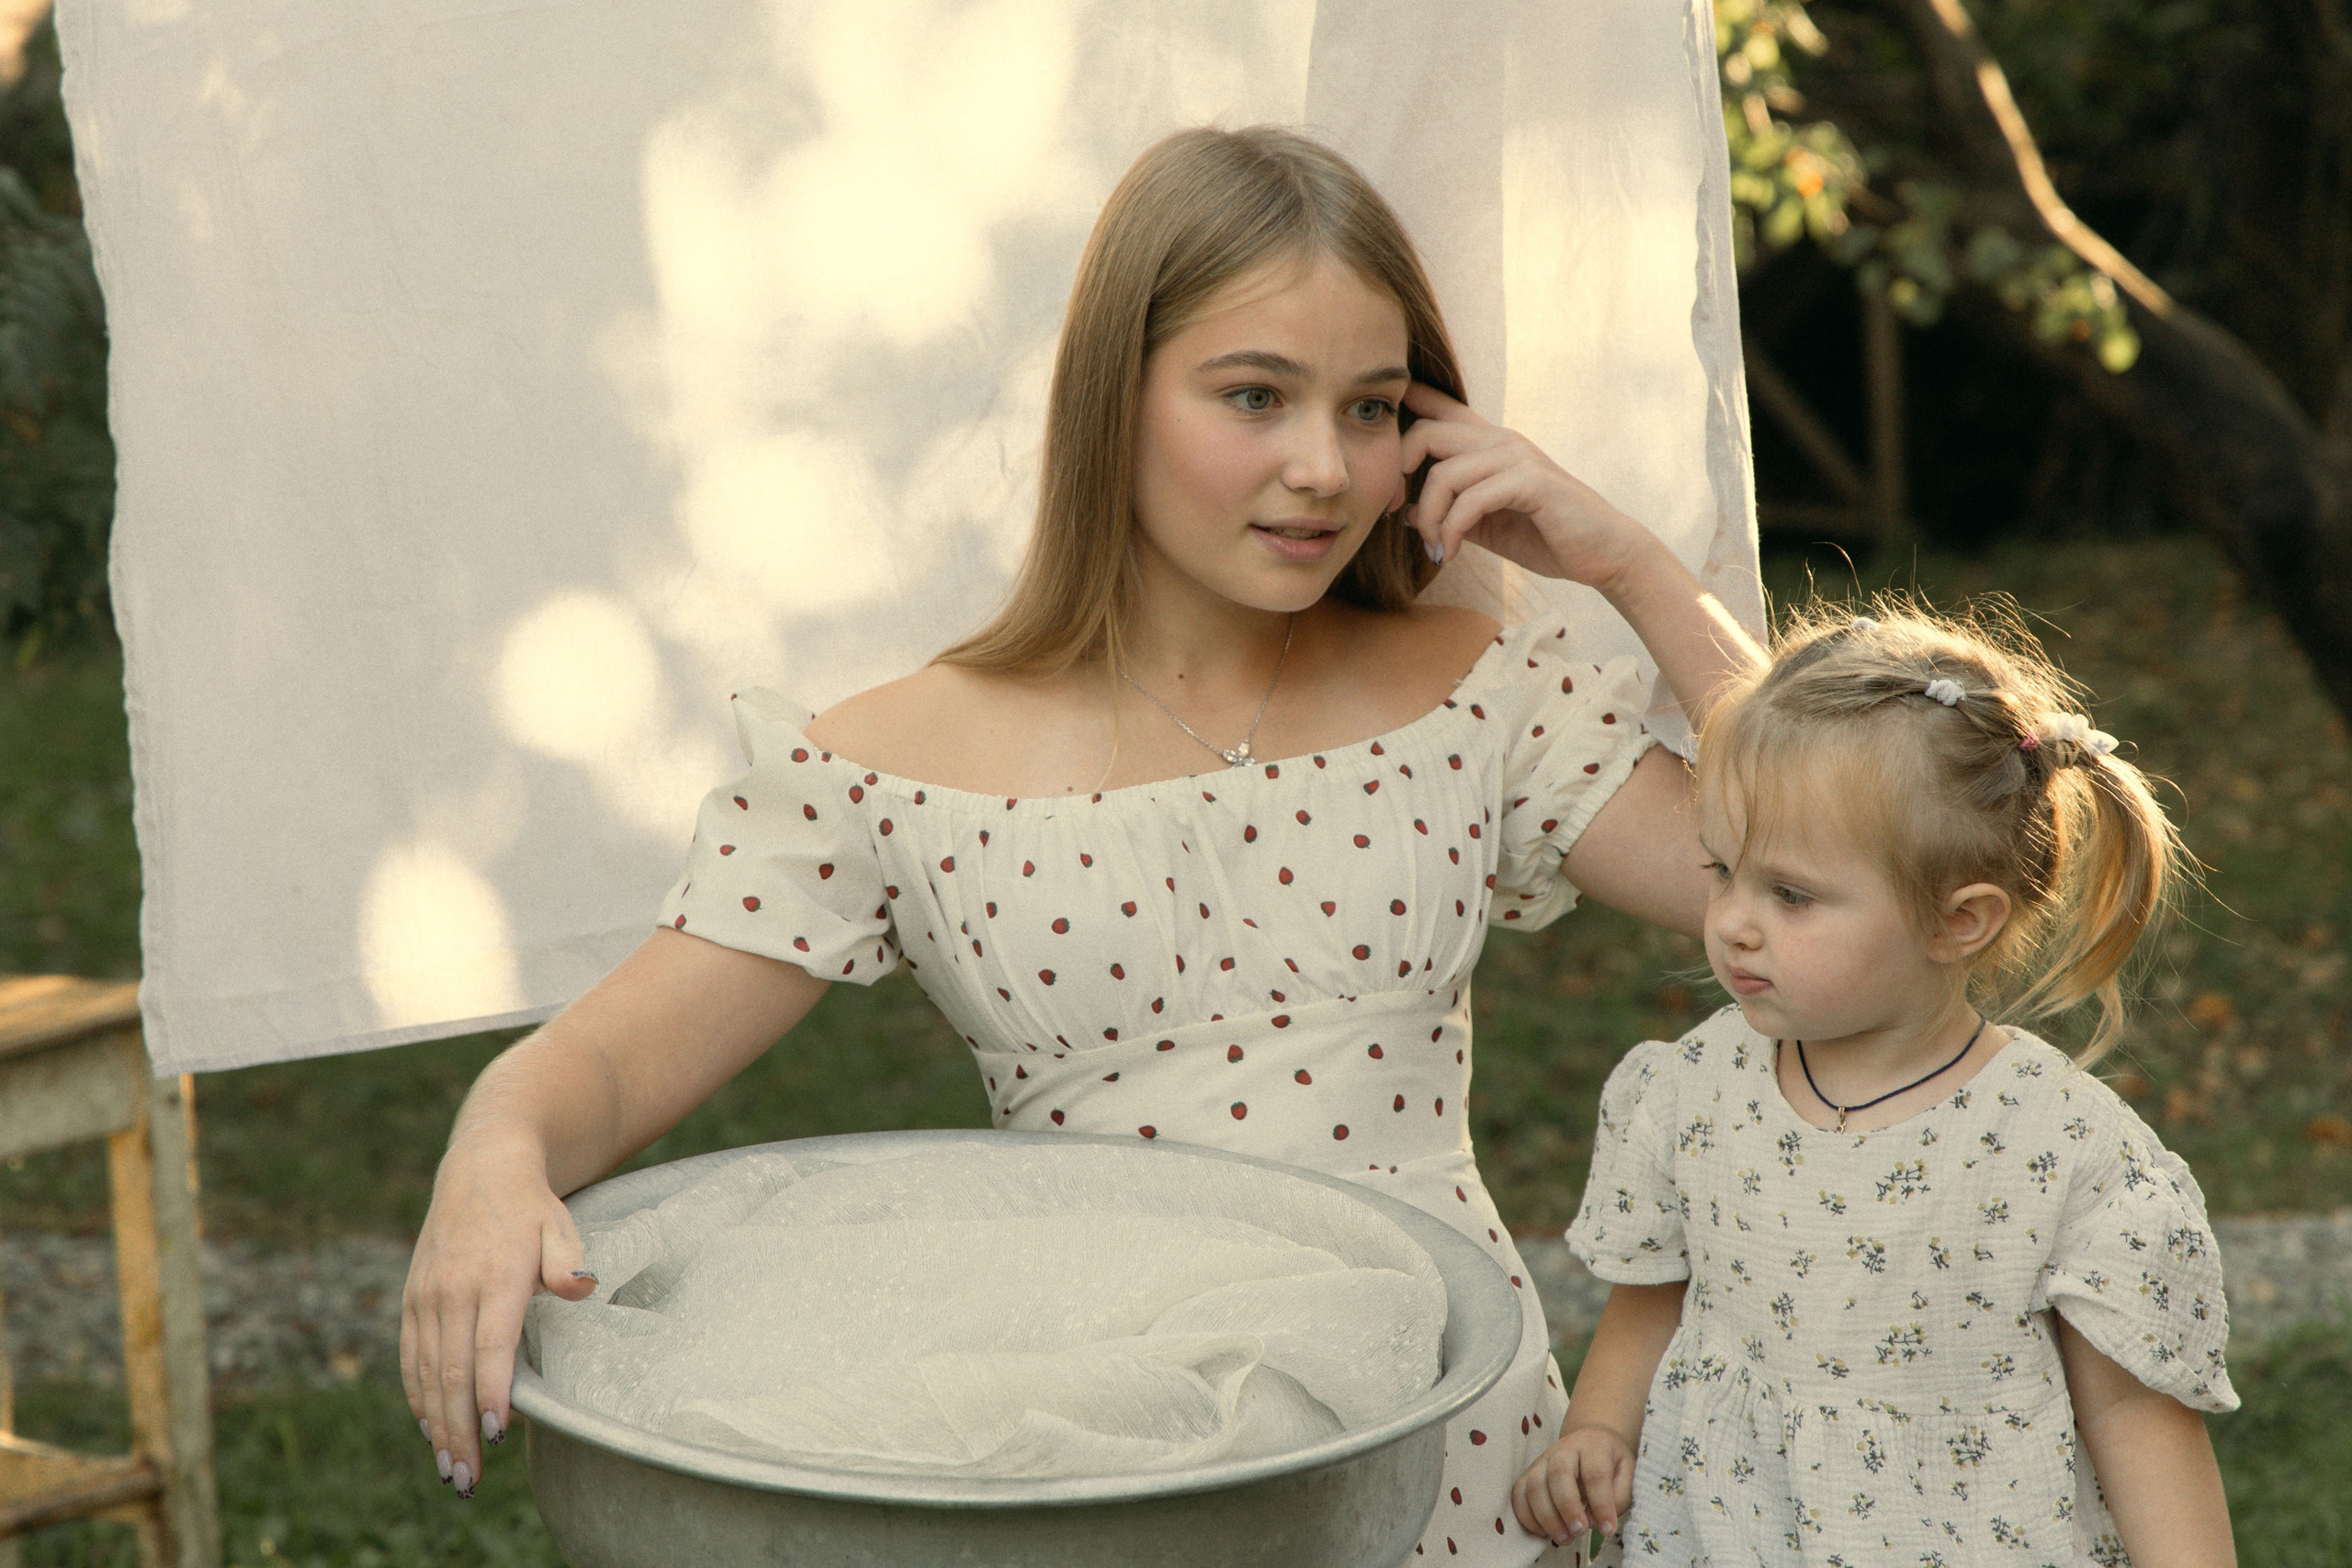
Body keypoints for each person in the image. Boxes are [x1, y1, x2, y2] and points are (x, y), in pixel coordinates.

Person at [403, 124, 1759, 1561]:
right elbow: (612, 1059)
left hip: (1434, 1420)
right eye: (1255, 395)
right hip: (1115, 1436)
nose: (1322, 466)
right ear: (1114, 397)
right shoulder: (893, 762)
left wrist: (1630, 562)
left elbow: (1833, 865)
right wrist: (492, 1147)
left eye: (1371, 409)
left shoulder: (1473, 684)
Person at [1512, 604, 2239, 1566]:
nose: (1731, 922)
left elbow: (2134, 1418)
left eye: (1791, 895)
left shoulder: (2057, 1148)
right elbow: (1655, 1294)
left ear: (1957, 922)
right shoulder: (1693, 1091)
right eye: (1724, 872)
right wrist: (1600, 1428)